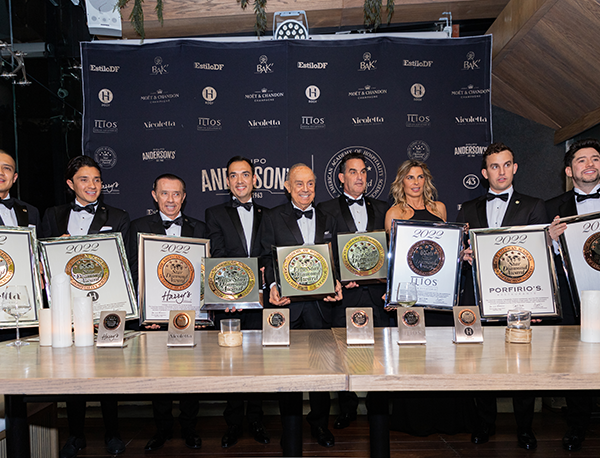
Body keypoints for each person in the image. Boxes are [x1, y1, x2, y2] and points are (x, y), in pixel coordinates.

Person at [458, 142, 547, 451]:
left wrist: (538, 304)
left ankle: (525, 428)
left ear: (515, 167)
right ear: (485, 173)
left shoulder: (534, 205)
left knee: (523, 365)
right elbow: (462, 252)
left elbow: (540, 256)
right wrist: (464, 255)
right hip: (480, 298)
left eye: (507, 164)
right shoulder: (467, 209)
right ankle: (486, 424)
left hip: (520, 298)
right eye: (494, 166)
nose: (501, 171)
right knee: (481, 363)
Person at [42, 155, 129, 458]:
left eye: (97, 180)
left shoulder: (118, 216)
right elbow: (43, 260)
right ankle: (75, 435)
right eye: (84, 179)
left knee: (108, 372)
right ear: (70, 184)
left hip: (105, 304)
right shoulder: (52, 215)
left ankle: (113, 433)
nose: (92, 185)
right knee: (71, 372)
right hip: (66, 305)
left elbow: (123, 264)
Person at [259, 163, 342, 448]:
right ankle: (290, 428)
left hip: (320, 306)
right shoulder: (272, 217)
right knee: (288, 372)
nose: (305, 189)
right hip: (288, 306)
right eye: (299, 183)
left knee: (323, 371)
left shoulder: (329, 217)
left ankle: (320, 424)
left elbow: (334, 258)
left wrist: (337, 282)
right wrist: (272, 285)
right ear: (287, 186)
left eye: (310, 184)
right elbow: (265, 256)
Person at [128, 173, 206, 452]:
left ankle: (189, 429)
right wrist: (143, 314)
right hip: (154, 316)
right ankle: (162, 429)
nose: (170, 200)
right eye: (164, 193)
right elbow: (133, 273)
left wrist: (204, 312)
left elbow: (206, 275)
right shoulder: (137, 227)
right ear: (154, 195)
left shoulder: (201, 229)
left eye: (176, 194)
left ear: (184, 197)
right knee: (158, 376)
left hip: (190, 314)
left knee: (190, 376)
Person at [317, 152, 389, 430]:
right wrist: (337, 277)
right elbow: (321, 251)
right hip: (344, 295)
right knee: (342, 354)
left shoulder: (383, 208)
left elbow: (391, 250)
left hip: (376, 294)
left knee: (380, 354)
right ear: (341, 177)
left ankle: (377, 409)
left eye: (363, 171)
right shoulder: (325, 209)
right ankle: (346, 409)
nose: (359, 177)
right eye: (353, 171)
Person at [205, 156, 270, 448]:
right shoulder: (214, 213)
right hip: (229, 300)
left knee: (257, 361)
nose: (240, 180)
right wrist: (228, 294)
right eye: (233, 175)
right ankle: (232, 423)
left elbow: (269, 254)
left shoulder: (270, 214)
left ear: (254, 179)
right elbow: (218, 255)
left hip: (260, 300)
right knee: (229, 362)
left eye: (245, 174)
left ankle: (256, 419)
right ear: (227, 181)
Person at [545, 138, 600, 451]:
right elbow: (543, 259)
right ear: (569, 170)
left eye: (595, 159)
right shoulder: (552, 207)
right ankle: (577, 427)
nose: (589, 164)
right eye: (581, 160)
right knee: (576, 363)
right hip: (573, 297)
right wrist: (551, 240)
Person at [0, 149, 41, 233]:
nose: (1, 172)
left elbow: (38, 241)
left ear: (14, 178)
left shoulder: (31, 212)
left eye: (7, 168)